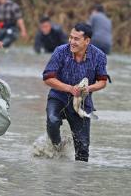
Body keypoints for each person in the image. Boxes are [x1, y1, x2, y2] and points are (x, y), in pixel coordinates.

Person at [42, 23, 108, 162]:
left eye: (76, 39)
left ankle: (79, 182)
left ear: (87, 41)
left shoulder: (99, 56)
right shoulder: (60, 51)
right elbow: (48, 78)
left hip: (82, 103)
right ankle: (57, 149)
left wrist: (88, 89)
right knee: (53, 121)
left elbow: (102, 82)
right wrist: (70, 89)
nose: (72, 41)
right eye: (70, 37)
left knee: (83, 151)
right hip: (58, 97)